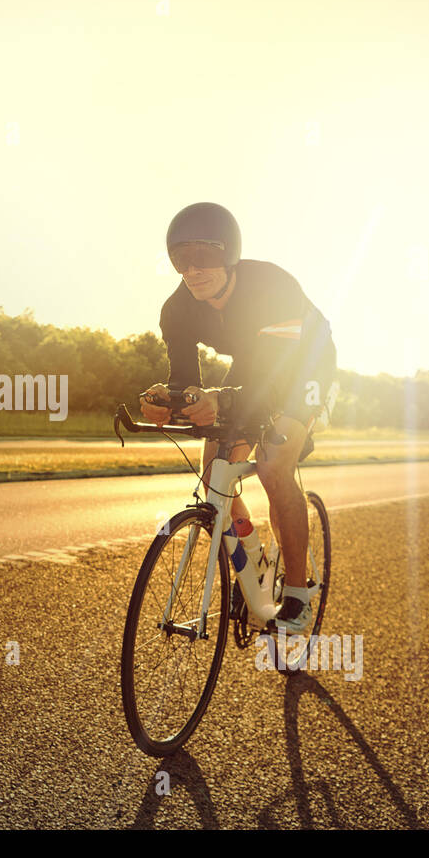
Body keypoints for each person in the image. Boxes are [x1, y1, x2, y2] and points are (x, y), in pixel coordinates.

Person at [140, 202, 338, 634]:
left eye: (205, 256)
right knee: (214, 467)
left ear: (230, 255)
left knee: (272, 462)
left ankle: (298, 594)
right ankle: (254, 564)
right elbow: (186, 382)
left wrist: (222, 400)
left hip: (304, 365)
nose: (192, 270)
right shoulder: (177, 310)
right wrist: (164, 400)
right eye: (180, 259)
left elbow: (275, 379)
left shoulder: (272, 286)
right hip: (255, 364)